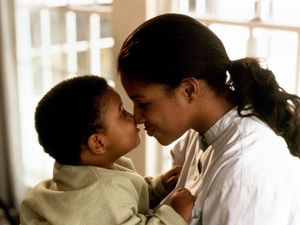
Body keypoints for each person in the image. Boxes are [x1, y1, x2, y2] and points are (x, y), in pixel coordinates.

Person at [117, 13, 300, 225]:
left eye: (144, 103)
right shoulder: (200, 133)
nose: (137, 118)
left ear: (188, 90)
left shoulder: (243, 175)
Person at [20, 75, 195, 225]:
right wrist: (174, 215)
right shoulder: (103, 194)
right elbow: (114, 202)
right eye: (122, 113)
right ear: (98, 143)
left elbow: (125, 197)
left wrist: (156, 188)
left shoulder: (81, 171)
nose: (134, 117)